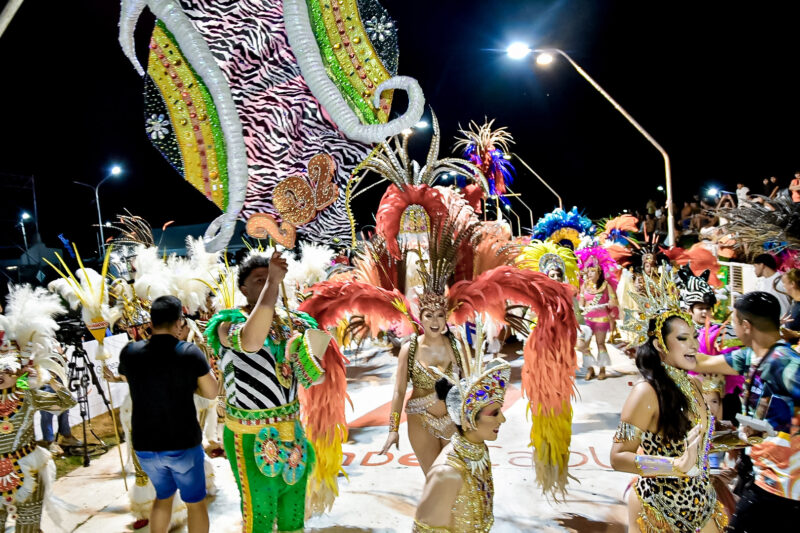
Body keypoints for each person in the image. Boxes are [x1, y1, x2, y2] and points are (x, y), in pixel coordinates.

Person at [205, 251, 335, 532]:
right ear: (244, 289)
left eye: (271, 278)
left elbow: (312, 377)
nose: (267, 284)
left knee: (293, 510)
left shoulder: (293, 322)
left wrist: (308, 358)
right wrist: (273, 283)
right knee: (261, 513)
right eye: (259, 280)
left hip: (292, 430)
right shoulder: (227, 323)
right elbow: (251, 342)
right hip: (250, 436)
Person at [614, 274, 727, 533]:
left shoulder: (696, 386)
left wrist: (740, 438)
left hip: (702, 503)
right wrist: (673, 466)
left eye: (694, 337)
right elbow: (618, 456)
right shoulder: (644, 393)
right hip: (658, 508)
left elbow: (693, 447)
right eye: (683, 338)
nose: (693, 345)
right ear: (659, 344)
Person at [693, 292, 800, 530]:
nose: (730, 328)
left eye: (733, 322)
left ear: (745, 326)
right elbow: (701, 363)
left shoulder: (785, 364)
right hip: (762, 475)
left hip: (785, 486)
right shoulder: (751, 356)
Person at [119, 295, 219, 533]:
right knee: (195, 504)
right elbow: (212, 391)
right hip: (182, 443)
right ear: (179, 322)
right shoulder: (188, 352)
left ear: (150, 322)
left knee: (163, 497)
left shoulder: (130, 352)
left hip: (145, 445)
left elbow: (128, 379)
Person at [0, 284, 77, 532]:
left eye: (6, 369)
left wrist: (52, 378)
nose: (2, 374)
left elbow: (67, 403)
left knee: (29, 528)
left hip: (28, 473)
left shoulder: (27, 394)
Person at [413, 358, 511, 532]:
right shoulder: (447, 473)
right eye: (494, 413)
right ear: (468, 420)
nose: (502, 419)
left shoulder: (479, 449)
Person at [577, 247, 620, 381]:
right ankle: (590, 369)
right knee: (584, 346)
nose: (589, 274)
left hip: (601, 319)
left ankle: (602, 369)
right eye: (588, 271)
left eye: (592, 271)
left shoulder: (606, 286)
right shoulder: (584, 286)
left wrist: (610, 303)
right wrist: (581, 308)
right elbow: (581, 302)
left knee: (600, 344)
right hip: (588, 320)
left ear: (599, 272)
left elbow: (614, 301)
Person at [780, 268, 800, 339]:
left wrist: (797, 335)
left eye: (784, 283)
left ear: (792, 284)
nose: (783, 286)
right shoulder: (794, 301)